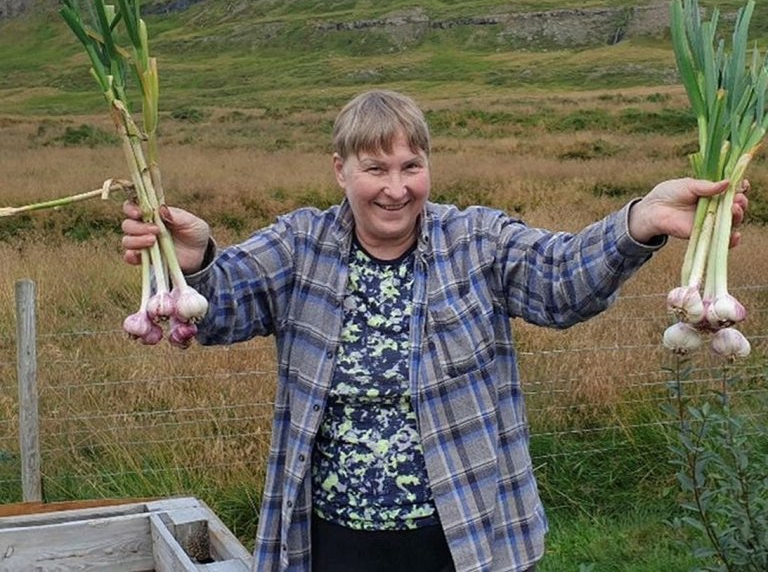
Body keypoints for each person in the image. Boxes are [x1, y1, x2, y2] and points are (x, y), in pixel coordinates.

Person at [121, 89, 749, 572]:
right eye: (375, 169)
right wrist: (196, 261)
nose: (396, 189)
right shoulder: (299, 245)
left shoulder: (475, 240)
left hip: (466, 531)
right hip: (333, 538)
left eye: (410, 166)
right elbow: (226, 303)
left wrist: (642, 220)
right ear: (340, 171)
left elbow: (562, 282)